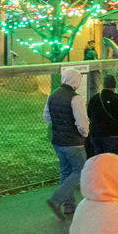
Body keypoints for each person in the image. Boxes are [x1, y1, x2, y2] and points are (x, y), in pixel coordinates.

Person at [43, 66, 90, 218]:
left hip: (58, 141)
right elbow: (82, 123)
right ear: (75, 81)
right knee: (80, 170)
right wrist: (85, 134)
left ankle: (69, 206)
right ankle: (57, 199)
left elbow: (47, 117)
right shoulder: (76, 98)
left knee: (65, 171)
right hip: (74, 142)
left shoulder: (52, 96)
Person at [86, 73, 118, 158]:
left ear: (103, 84)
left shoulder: (94, 98)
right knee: (111, 160)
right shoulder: (116, 100)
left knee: (99, 159)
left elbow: (89, 113)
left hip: (96, 134)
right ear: (114, 86)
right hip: (112, 135)